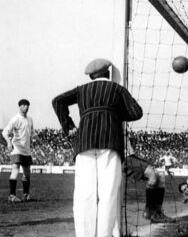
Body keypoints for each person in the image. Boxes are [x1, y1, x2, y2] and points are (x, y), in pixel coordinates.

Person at [52, 58, 143, 237]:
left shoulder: (81, 90)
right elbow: (136, 112)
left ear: (91, 76)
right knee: (108, 194)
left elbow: (57, 101)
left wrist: (68, 125)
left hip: (84, 142)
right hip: (110, 142)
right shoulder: (117, 89)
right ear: (108, 73)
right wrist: (114, 113)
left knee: (84, 194)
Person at [123, 139, 175, 223]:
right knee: (153, 175)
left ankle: (157, 212)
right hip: (125, 157)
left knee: (160, 176)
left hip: (131, 156)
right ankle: (150, 212)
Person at [2, 99, 40, 203]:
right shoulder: (15, 119)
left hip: (26, 150)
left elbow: (32, 132)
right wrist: (9, 142)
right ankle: (12, 196)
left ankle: (26, 195)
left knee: (27, 174)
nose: (26, 107)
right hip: (17, 149)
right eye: (24, 105)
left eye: (27, 105)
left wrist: (36, 136)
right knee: (15, 170)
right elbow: (5, 132)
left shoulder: (30, 119)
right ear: (19, 106)